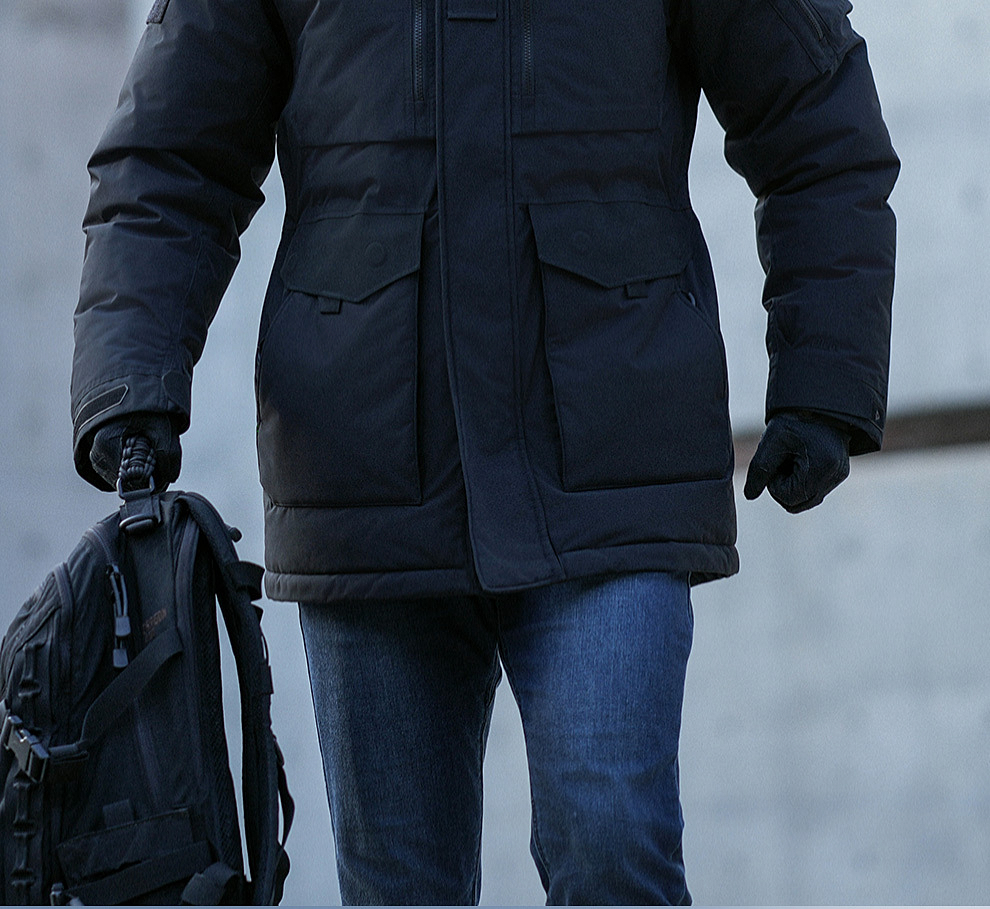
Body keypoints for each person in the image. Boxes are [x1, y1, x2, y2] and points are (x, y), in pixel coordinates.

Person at [71, 0, 898, 903]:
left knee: (611, 837)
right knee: (398, 886)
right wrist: (131, 377)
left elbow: (814, 116)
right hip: (361, 475)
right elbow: (170, 157)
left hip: (612, 457)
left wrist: (824, 380)